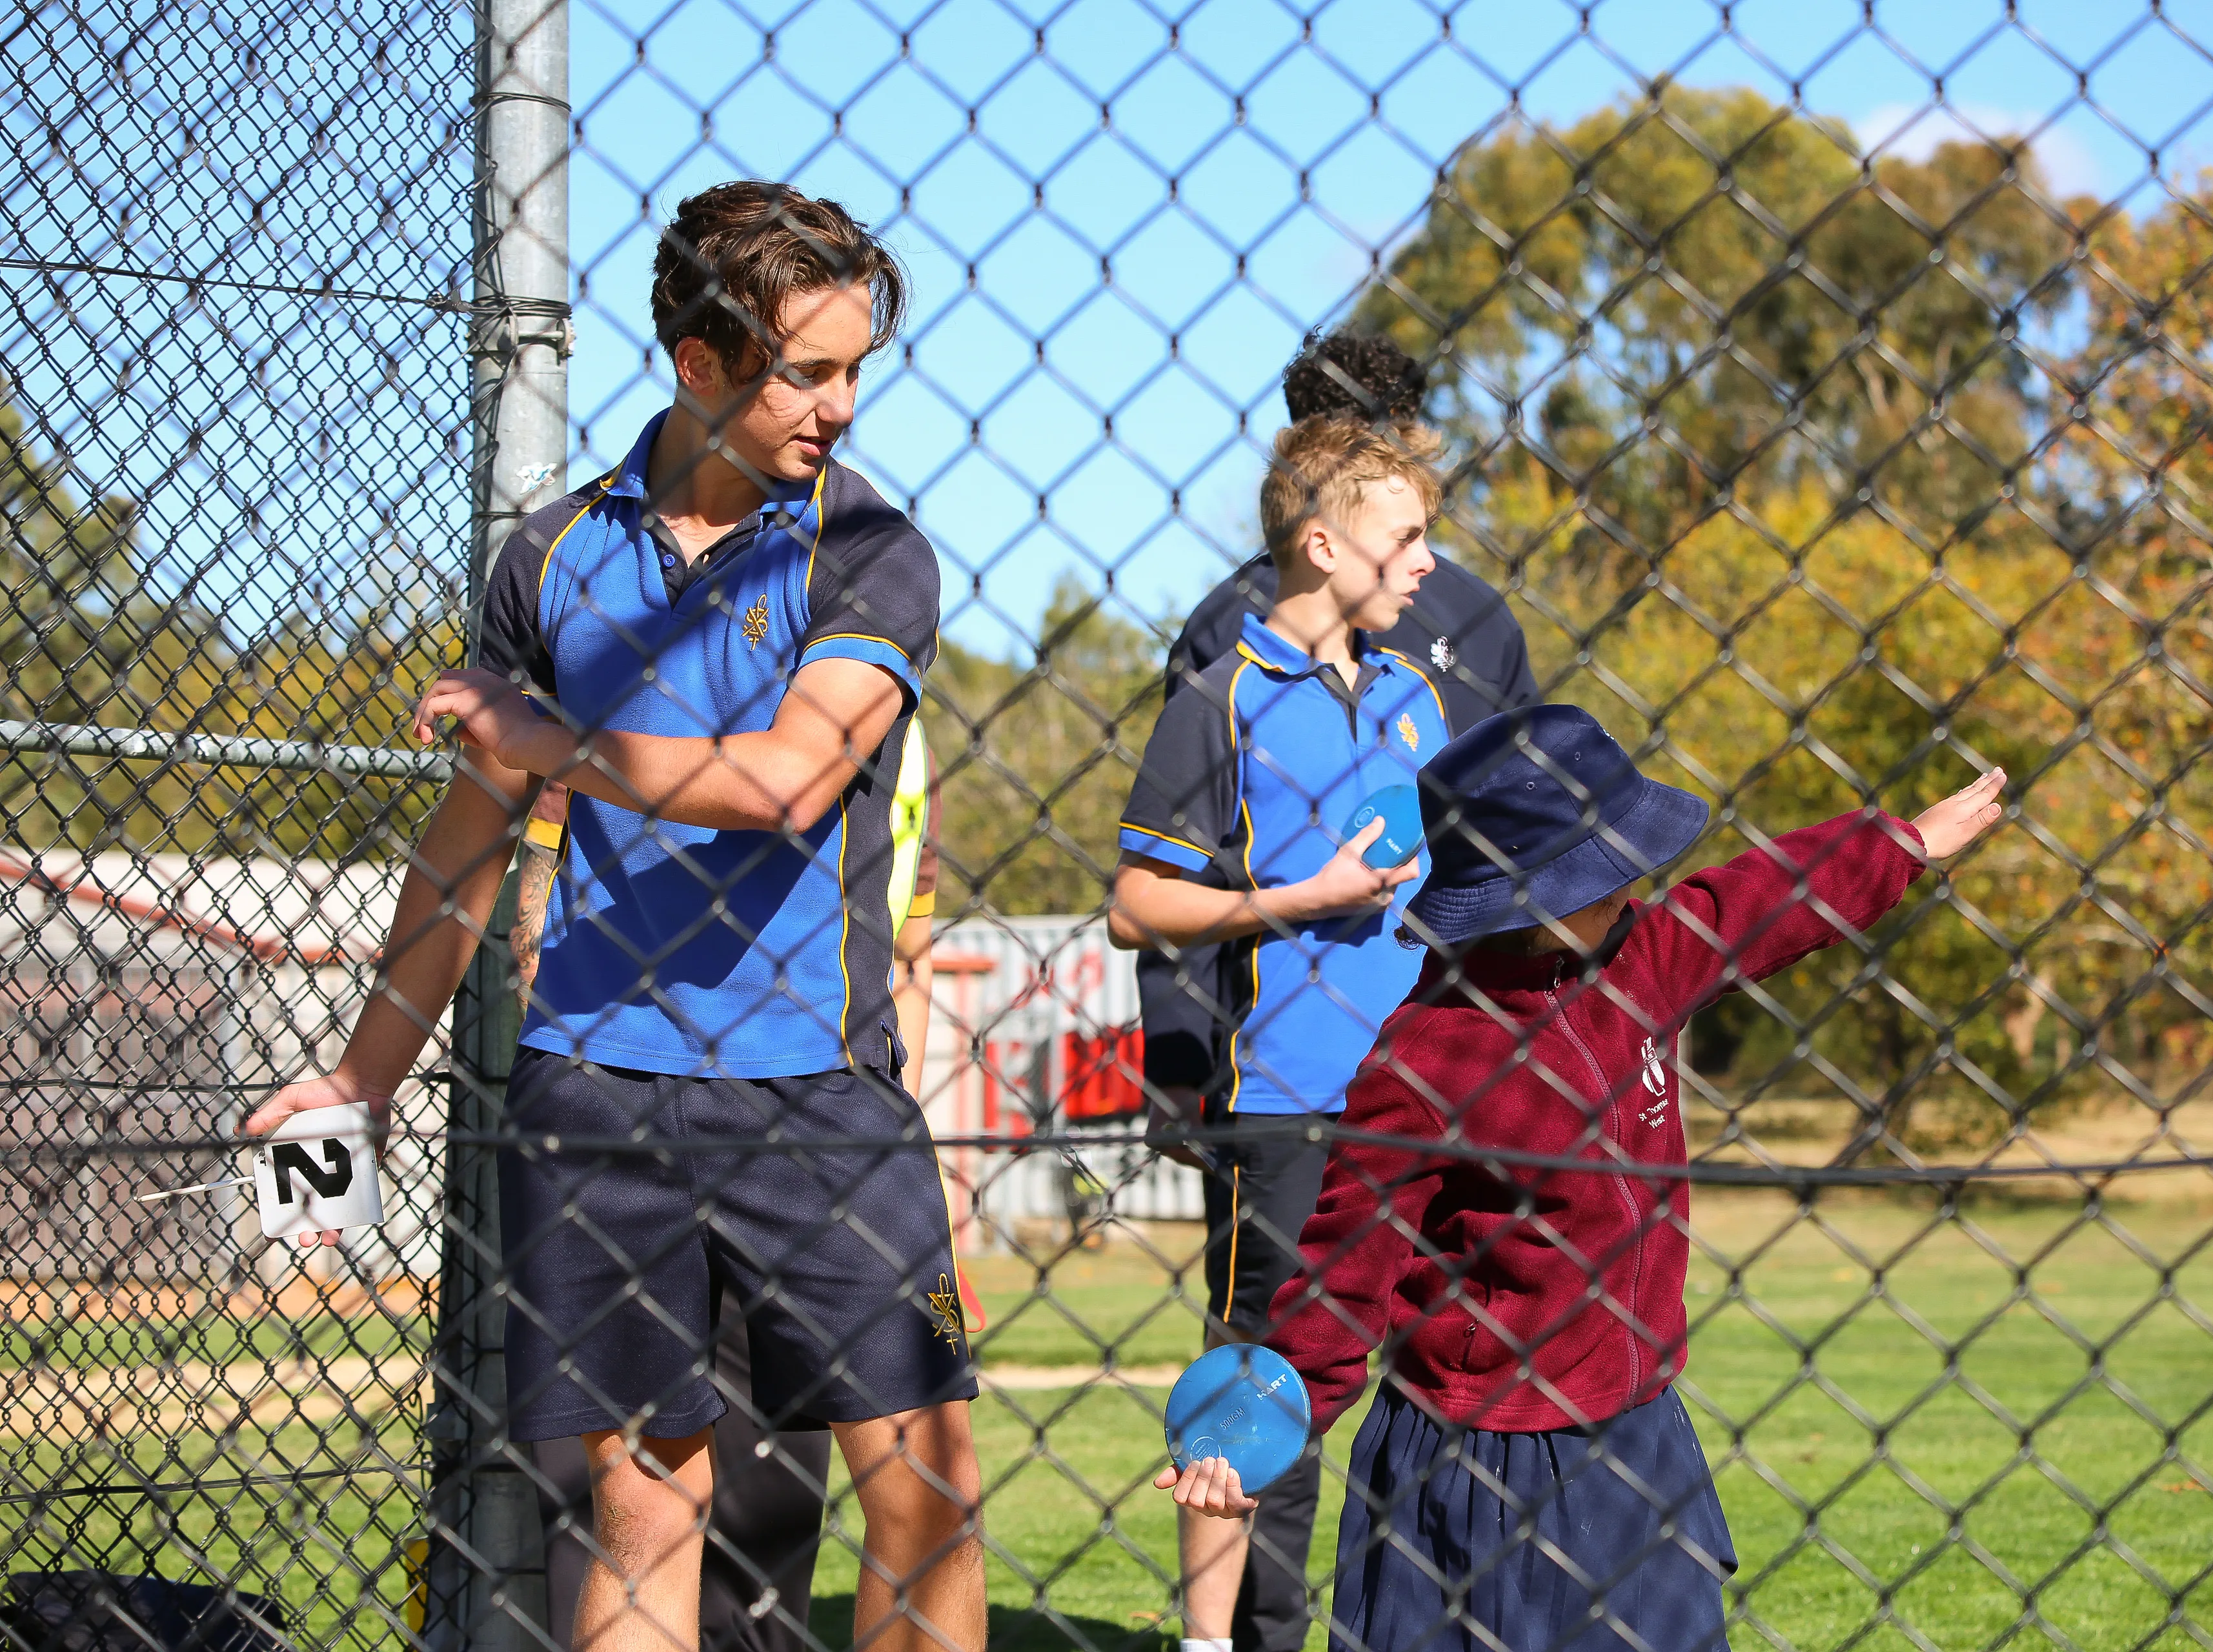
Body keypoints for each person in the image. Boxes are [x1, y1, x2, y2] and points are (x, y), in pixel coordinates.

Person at [245, 180, 983, 1652]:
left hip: (819, 1090)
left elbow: (790, 781)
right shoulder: (547, 558)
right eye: (809, 371)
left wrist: (549, 744)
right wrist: (360, 1076)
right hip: (599, 1091)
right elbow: (464, 845)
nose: (840, 406)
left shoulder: (868, 545)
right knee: (645, 1506)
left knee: (922, 1493)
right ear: (701, 362)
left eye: (856, 371)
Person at [1160, 705, 2008, 1652]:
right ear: (1535, 897)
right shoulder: (1427, 1059)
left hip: (1637, 1428)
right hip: (1480, 1454)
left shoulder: (1641, 960)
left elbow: (1758, 901)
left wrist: (1898, 848)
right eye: (1611, 867)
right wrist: (1254, 1429)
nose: (1636, 881)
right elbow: (1343, 1271)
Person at [1135, 333, 1536, 1652]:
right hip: (1287, 1085)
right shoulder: (1226, 657)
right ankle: (1246, 1638)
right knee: (1269, 1376)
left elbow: (1523, 847)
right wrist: (1184, 1060)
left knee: (1459, 1368)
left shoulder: (1458, 637)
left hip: (1443, 1066)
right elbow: (1166, 889)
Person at [514, 718, 947, 1652]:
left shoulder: (900, 729)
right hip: (623, 1110)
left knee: (802, 1491)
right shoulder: (625, 689)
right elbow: (533, 929)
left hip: (829, 1129)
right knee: (637, 1500)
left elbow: (908, 956)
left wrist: (909, 1178)